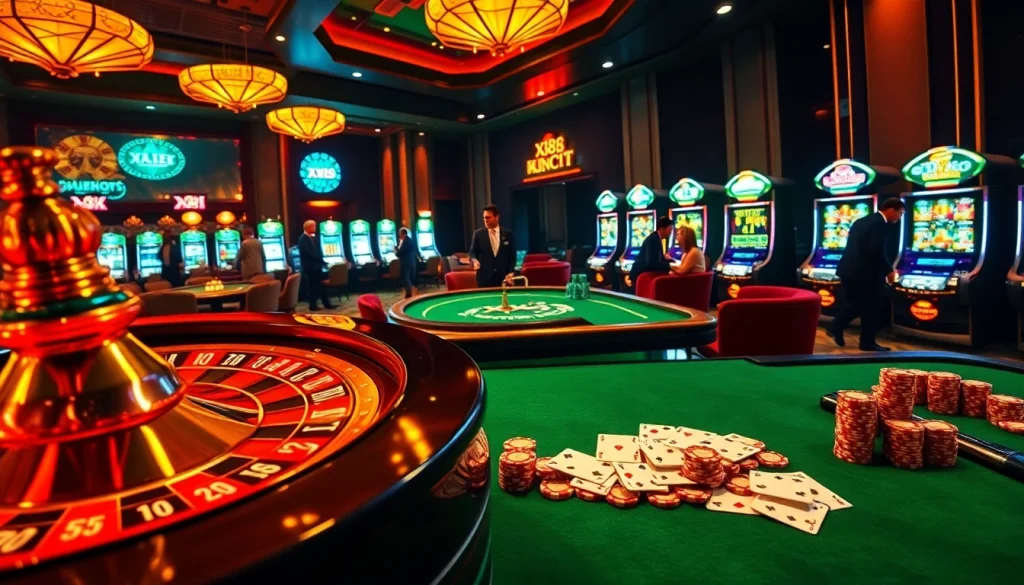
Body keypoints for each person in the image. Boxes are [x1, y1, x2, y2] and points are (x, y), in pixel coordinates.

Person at [827, 197, 906, 351]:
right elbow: (876, 249)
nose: (900, 217)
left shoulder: (863, 221)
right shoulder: (879, 224)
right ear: (891, 210)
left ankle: (836, 326)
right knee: (872, 307)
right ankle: (866, 342)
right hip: (864, 273)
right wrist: (889, 270)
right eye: (900, 214)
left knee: (857, 304)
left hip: (848, 270)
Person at [469, 205, 516, 288]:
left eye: (488, 218)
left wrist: (511, 272)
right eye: (484, 218)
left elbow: (512, 256)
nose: (485, 221)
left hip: (503, 278)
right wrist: (474, 260)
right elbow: (472, 252)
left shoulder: (508, 234)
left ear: (497, 217)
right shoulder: (478, 234)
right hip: (484, 279)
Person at [296, 220, 336, 311]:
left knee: (322, 286)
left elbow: (318, 251)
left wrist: (322, 261)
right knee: (313, 287)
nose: (315, 228)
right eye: (313, 226)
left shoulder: (313, 237)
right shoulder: (302, 239)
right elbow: (309, 253)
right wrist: (322, 261)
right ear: (308, 227)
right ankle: (313, 306)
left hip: (317, 266)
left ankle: (327, 304)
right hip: (310, 267)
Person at [629, 216, 674, 284]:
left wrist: (671, 261)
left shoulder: (656, 238)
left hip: (642, 275)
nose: (671, 232)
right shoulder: (654, 239)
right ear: (662, 228)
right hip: (639, 276)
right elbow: (652, 263)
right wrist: (670, 265)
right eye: (670, 229)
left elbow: (658, 260)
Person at [396, 226, 419, 298]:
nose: (399, 235)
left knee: (406, 278)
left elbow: (401, 252)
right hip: (410, 261)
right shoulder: (408, 240)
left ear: (403, 233)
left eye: (400, 233)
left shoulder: (406, 241)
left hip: (406, 262)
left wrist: (396, 251)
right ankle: (409, 292)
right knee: (407, 278)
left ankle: (409, 293)